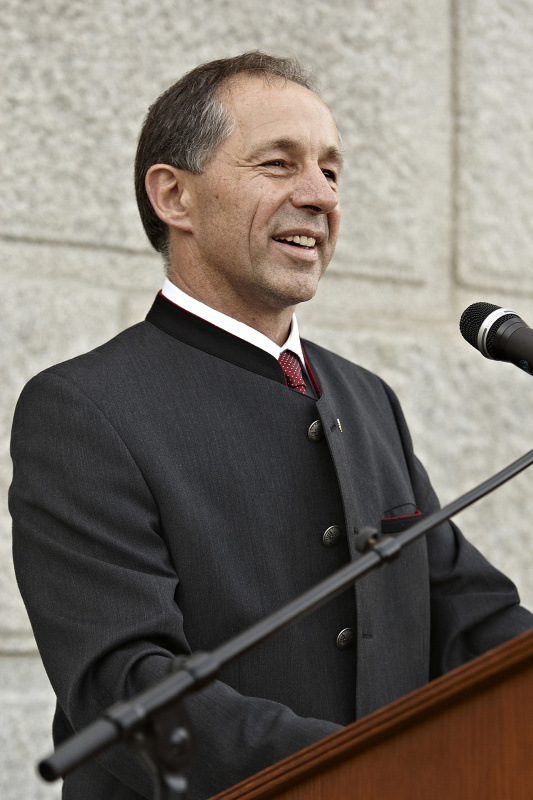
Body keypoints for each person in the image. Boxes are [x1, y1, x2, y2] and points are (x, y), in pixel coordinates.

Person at [10, 52, 533, 800]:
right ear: (174, 197)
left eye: (330, 171)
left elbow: (470, 620)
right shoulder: (84, 409)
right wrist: (379, 768)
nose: (319, 195)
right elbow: (128, 689)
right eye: (278, 164)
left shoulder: (365, 397)